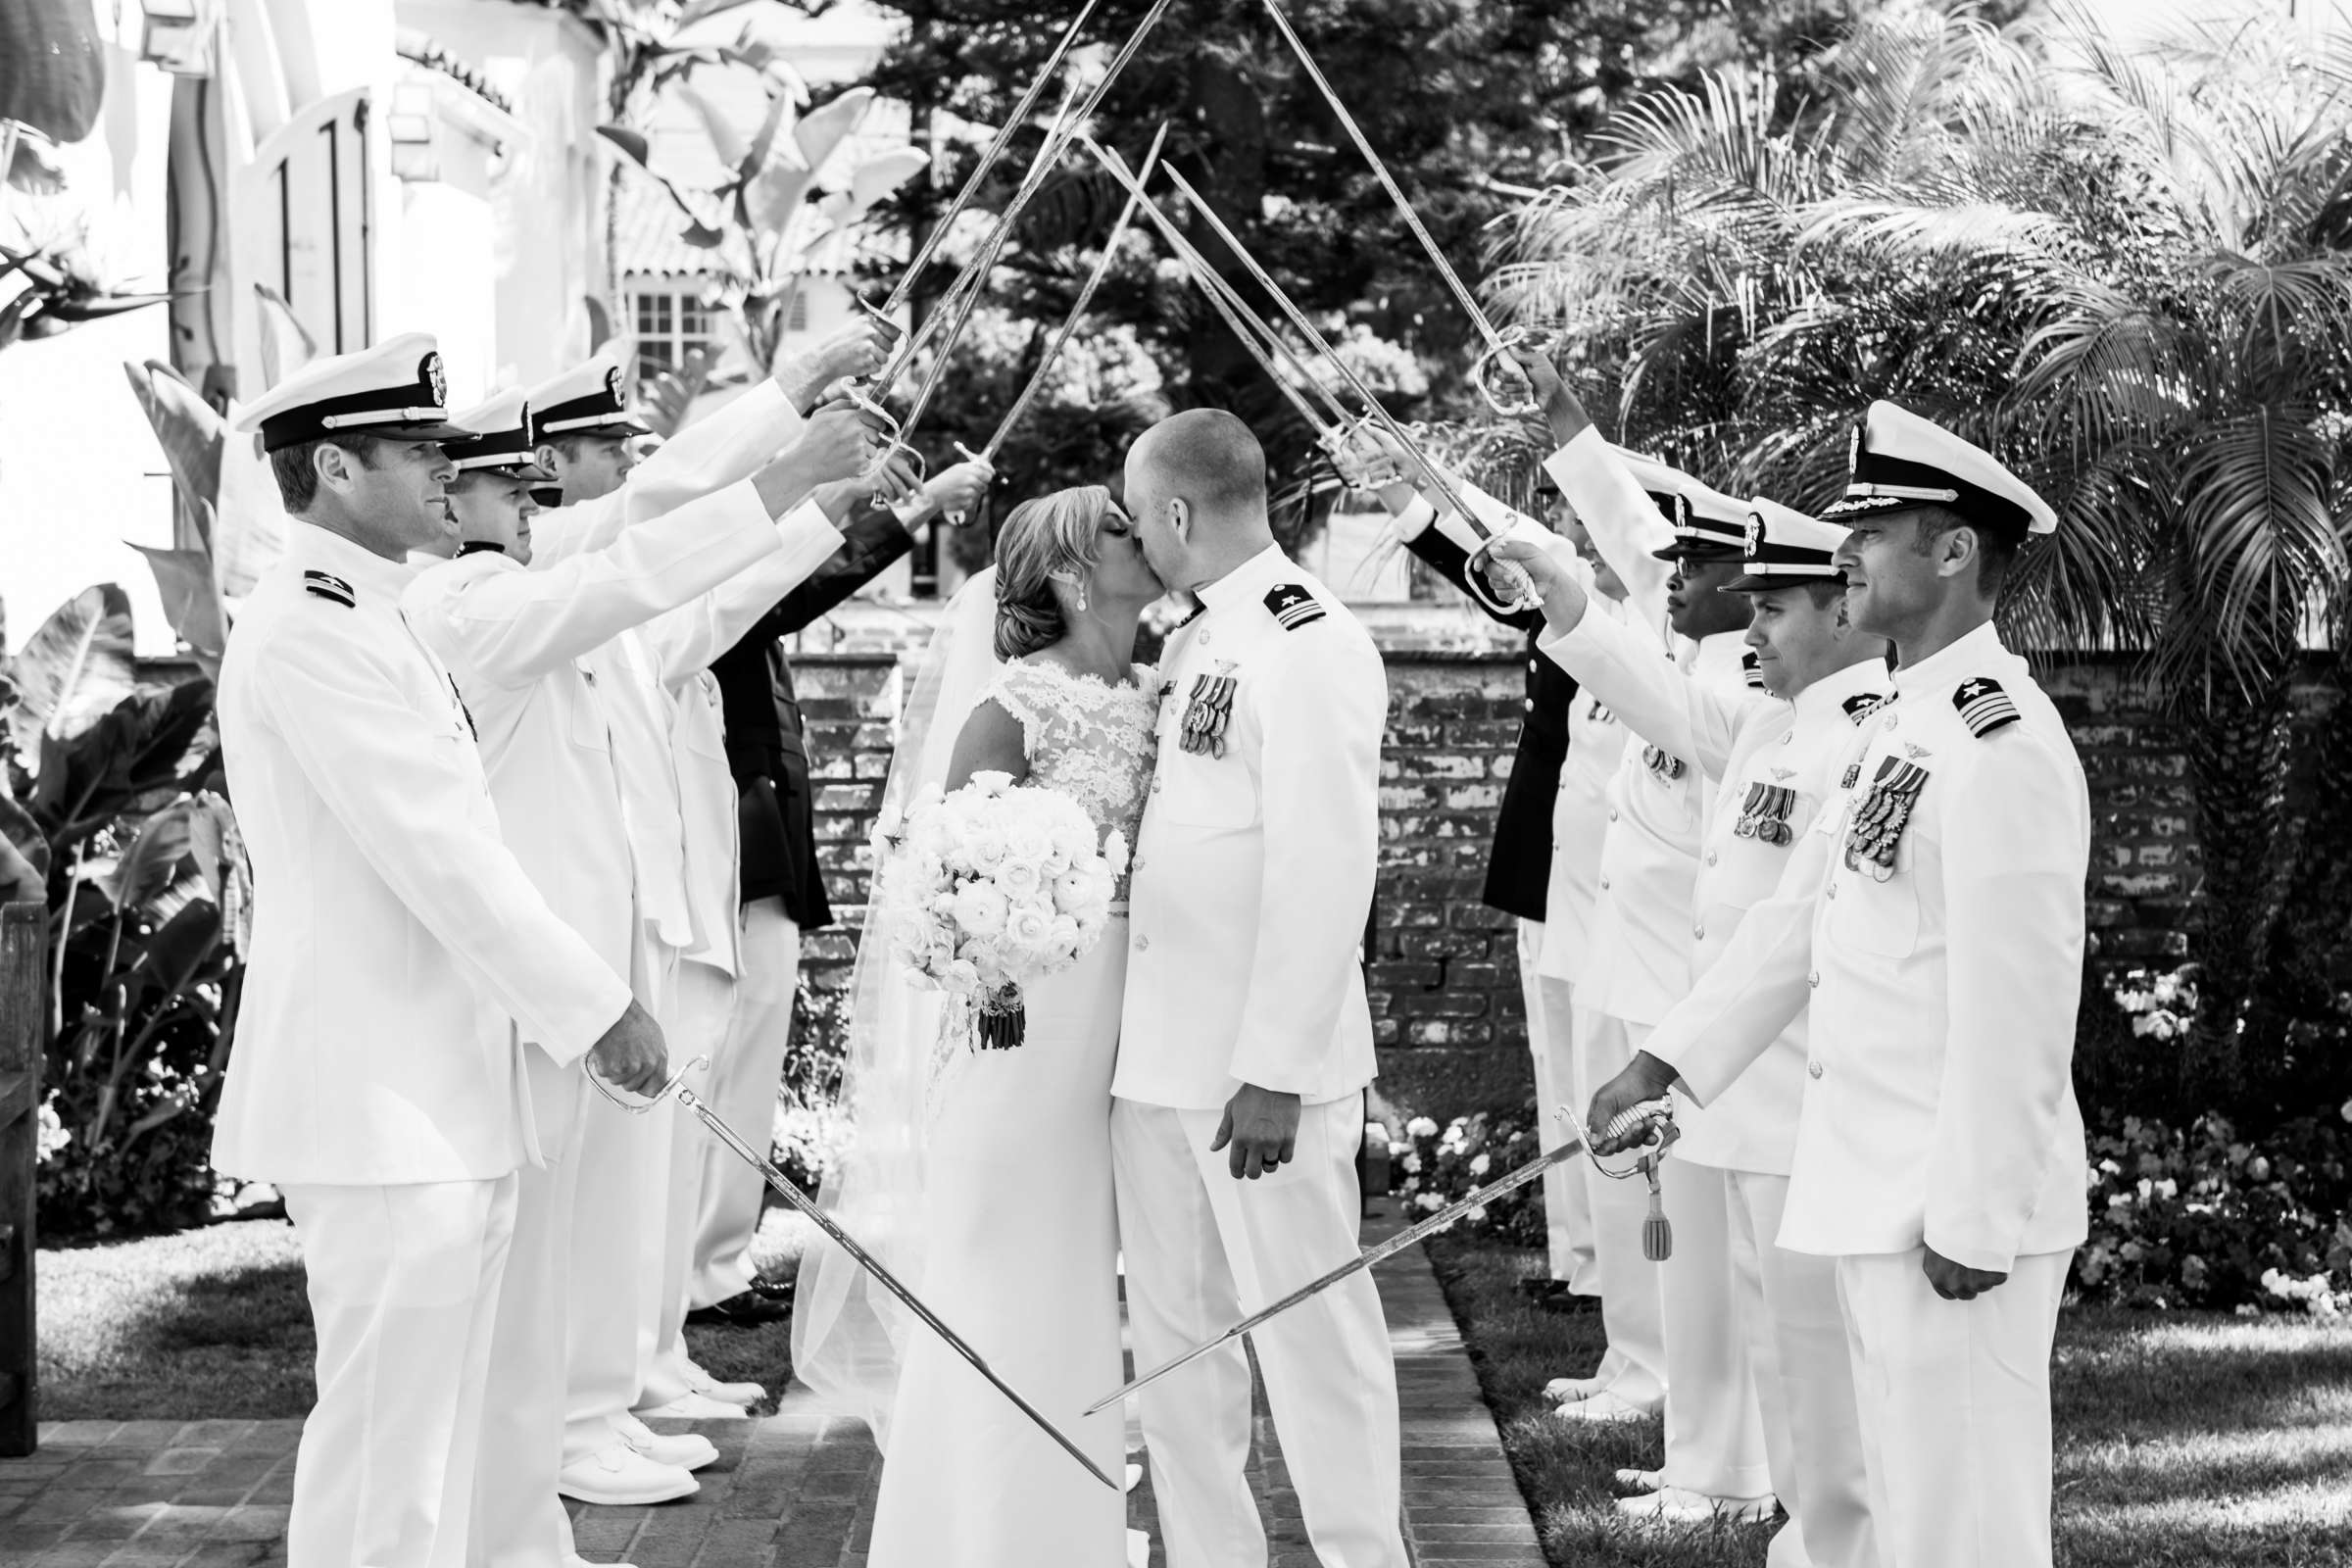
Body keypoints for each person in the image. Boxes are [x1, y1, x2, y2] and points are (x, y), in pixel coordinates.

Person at [1589, 403, 2090, 1568]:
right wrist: (1666, 1058)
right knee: (1906, 1518)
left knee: (1966, 1525)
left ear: (1955, 551)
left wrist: (1976, 1216)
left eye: (1874, 527)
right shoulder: (1896, 722)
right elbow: (1795, 924)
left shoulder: (1998, 739)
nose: (1847, 550)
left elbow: (2020, 1007)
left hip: (1949, 1209)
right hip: (1873, 1186)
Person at [211, 335, 665, 1568]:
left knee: (446, 1433)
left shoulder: (374, 612)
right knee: (387, 1450)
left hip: (440, 1084)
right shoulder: (309, 628)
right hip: (378, 1093)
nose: (443, 470)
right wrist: (599, 1004)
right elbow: (440, 852)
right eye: (417, 451)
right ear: (336, 471)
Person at [401, 385, 879, 1548]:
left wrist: (821, 515)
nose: (529, 499)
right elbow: (631, 559)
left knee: (605, 1208)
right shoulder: (466, 601)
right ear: (446, 498)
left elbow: (688, 607)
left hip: (600, 963)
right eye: (501, 484)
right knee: (557, 1219)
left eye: (529, 483)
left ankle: (597, 1405)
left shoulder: (542, 600)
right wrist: (778, 478)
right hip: (536, 978)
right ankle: (567, 1424)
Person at [1484, 498, 1889, 1563]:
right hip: (1725, 1074)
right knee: (1750, 1310)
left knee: (1805, 1343)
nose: (1750, 632)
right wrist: (1571, 609)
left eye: (1778, 608)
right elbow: (1661, 700)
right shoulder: (1770, 720)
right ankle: (1734, 1480)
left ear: (1847, 613)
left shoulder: (1861, 734)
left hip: (1794, 1086)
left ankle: (1780, 1504)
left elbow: (1800, 932)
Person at [793, 485, 1164, 1568]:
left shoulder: (1158, 688)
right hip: (1022, 1037)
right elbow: (946, 889)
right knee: (1011, 1272)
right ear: (1068, 573)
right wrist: (997, 973)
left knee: (1082, 1282)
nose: (1144, 536)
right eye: (1118, 528)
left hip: (1121, 1033)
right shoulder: (1012, 707)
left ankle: (1067, 1526)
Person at [1112, 410, 1405, 1568]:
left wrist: (1277, 1067)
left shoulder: (1309, 639)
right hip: (1162, 1063)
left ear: (1178, 514)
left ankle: (1360, 1558)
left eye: (1142, 515)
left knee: (1313, 1338)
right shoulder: (1196, 636)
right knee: (1180, 1349)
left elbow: (1328, 865)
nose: (1137, 535)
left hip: (1258, 1072)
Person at [683, 456, 997, 1332]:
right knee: (726, 1055)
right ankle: (697, 1268)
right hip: (731, 845)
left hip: (761, 840)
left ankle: (713, 1257)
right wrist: (917, 510)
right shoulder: (705, 587)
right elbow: (794, 590)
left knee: (747, 1056)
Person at [1375, 466, 1602, 1299]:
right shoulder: (1565, 598)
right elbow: (1488, 576)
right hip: (1538, 862)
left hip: (1598, 877)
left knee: (1591, 1066)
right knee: (1556, 1069)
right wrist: (1404, 499)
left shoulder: (1636, 617)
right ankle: (1576, 1263)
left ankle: (1607, 1269)